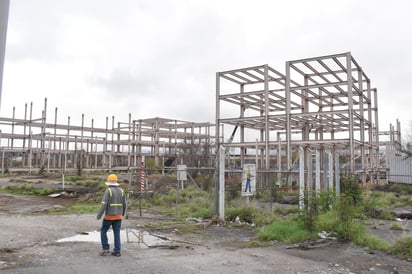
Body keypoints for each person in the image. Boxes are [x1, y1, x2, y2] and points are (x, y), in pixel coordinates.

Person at [97, 173, 127, 257]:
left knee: (103, 231)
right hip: (119, 216)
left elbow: (103, 204)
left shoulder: (108, 191)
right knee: (116, 233)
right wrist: (123, 214)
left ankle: (105, 249)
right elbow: (125, 204)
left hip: (109, 216)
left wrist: (99, 215)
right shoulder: (121, 191)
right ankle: (117, 251)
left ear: (109, 182)